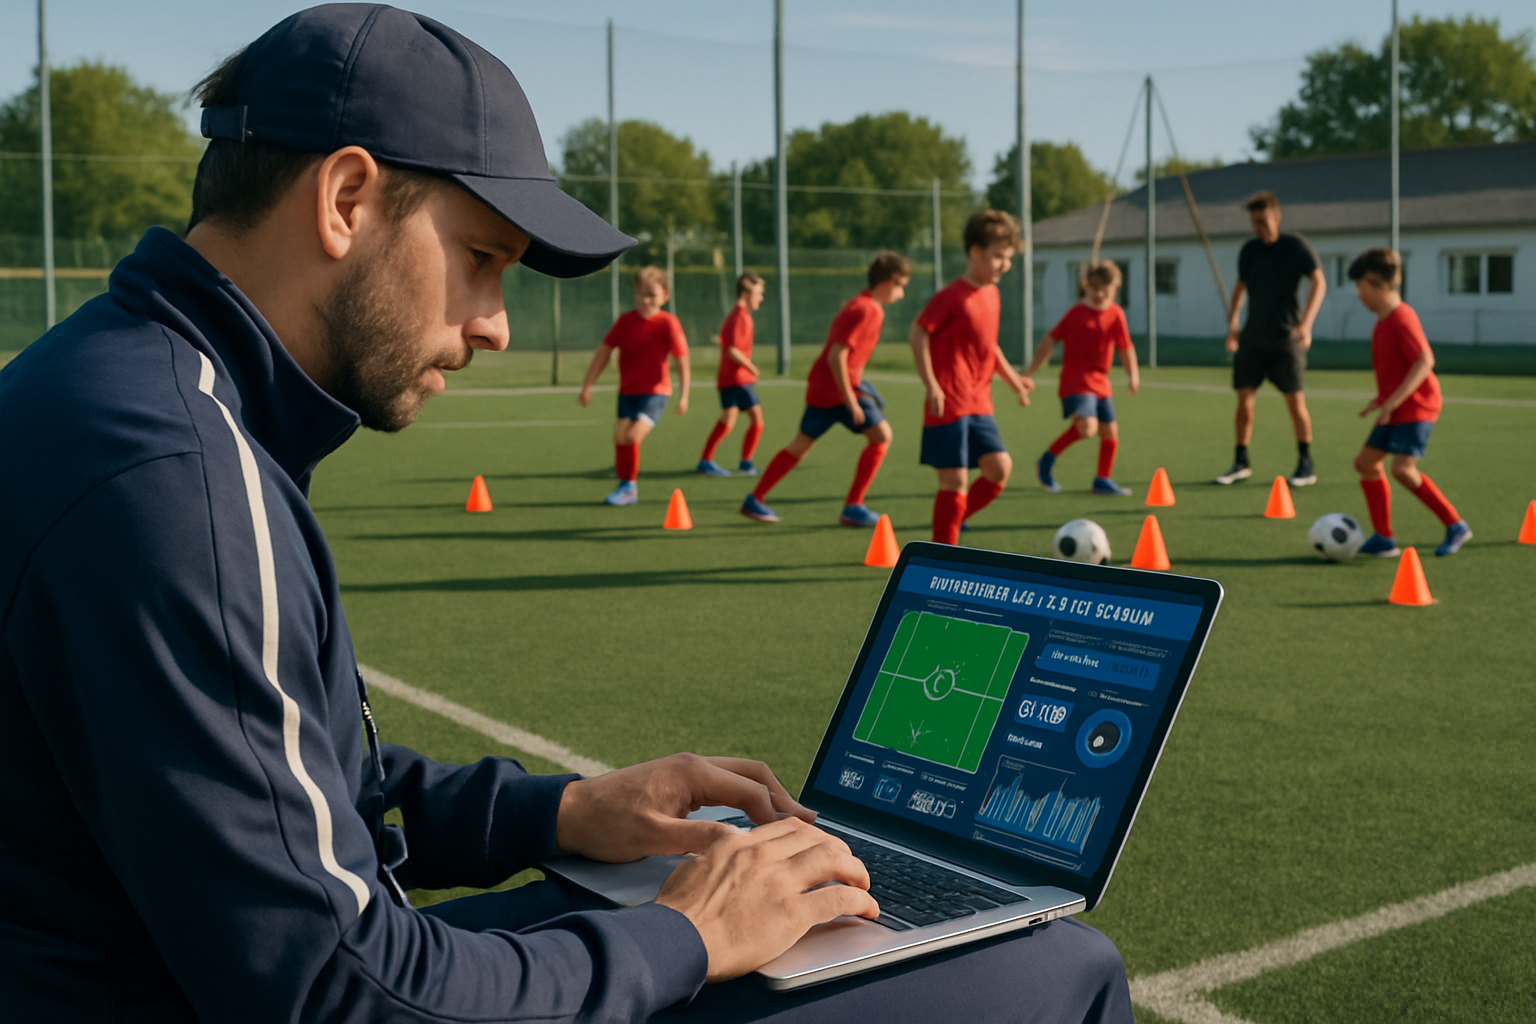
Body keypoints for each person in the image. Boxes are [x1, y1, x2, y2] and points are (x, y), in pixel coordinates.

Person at [0, 7, 1133, 1023]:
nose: (493, 323)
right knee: (1056, 967)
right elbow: (343, 994)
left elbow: (266, 789)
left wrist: (564, 810)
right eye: (482, 259)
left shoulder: (114, 389)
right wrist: (689, 934)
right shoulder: (177, 482)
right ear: (346, 199)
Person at [740, 252, 911, 525]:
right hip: (837, 391)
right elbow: (837, 356)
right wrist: (851, 400)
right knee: (881, 436)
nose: (901, 293)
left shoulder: (862, 304)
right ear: (888, 281)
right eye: (901, 285)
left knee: (801, 445)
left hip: (829, 388)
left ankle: (755, 498)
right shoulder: (866, 309)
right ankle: (853, 505)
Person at [912, 211, 1035, 545]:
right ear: (975, 252)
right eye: (998, 257)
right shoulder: (951, 296)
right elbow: (919, 333)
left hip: (979, 403)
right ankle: (941, 554)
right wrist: (932, 385)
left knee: (999, 469)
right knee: (954, 482)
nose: (1005, 265)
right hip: (949, 403)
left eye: (1008, 258)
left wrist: (1014, 382)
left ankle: (953, 521)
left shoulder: (992, 294)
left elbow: (988, 345)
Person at [1347, 247, 1473, 557]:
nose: (1358, 294)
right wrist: (1381, 400)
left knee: (1403, 469)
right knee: (1366, 463)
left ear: (1376, 283)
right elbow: (1395, 370)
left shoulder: (1402, 317)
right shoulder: (1382, 322)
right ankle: (1384, 538)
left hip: (1417, 407)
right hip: (1397, 407)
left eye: (1360, 286)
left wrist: (1393, 403)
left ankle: (1455, 524)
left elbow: (1424, 360)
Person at [1215, 190, 1326, 487]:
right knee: (1244, 403)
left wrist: (1307, 324)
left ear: (1277, 218)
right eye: (1254, 222)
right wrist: (1233, 324)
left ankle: (1305, 463)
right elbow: (1240, 287)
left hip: (1285, 338)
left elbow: (1319, 281)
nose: (1259, 227)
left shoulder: (1295, 246)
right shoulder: (1249, 250)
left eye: (1263, 221)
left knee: (1295, 403)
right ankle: (1241, 462)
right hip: (1253, 339)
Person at [1024, 259, 1139, 496]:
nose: (1098, 294)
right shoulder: (1076, 313)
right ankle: (1045, 461)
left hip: (1100, 381)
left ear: (1115, 290)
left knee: (1110, 431)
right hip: (1076, 380)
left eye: (1105, 290)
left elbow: (1125, 347)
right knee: (1087, 428)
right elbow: (1050, 339)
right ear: (1086, 286)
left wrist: (1133, 374)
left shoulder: (1116, 314)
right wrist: (1030, 370)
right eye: (1094, 288)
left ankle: (1102, 479)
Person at [579, 266, 691, 505]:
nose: (646, 299)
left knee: (631, 436)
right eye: (641, 294)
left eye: (652, 294)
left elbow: (682, 360)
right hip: (627, 391)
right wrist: (587, 385)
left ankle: (629, 488)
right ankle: (624, 483)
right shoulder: (625, 322)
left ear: (665, 295)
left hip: (656, 393)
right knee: (619, 437)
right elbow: (603, 353)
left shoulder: (668, 323)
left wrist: (684, 395)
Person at [698, 271, 766, 477]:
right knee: (757, 420)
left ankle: (707, 460)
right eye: (758, 293)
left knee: (730, 418)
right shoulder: (740, 317)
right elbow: (733, 350)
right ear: (746, 294)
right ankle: (744, 462)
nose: (760, 298)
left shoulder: (738, 316)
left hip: (732, 378)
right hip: (737, 379)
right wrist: (751, 367)